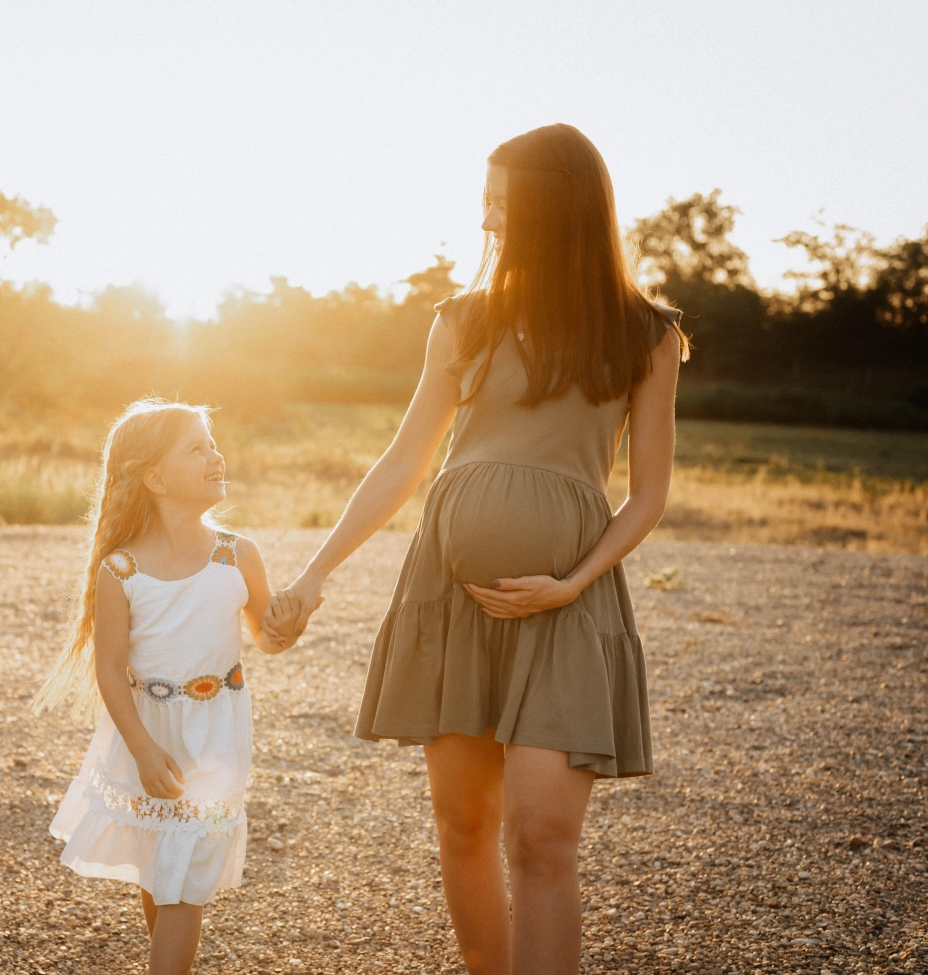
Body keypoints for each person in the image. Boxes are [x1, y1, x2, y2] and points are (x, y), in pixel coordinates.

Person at [263, 122, 689, 975]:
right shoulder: (463, 321)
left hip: (564, 609)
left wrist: (572, 583)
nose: (487, 220)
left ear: (554, 210)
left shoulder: (647, 333)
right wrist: (314, 574)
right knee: (462, 827)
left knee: (541, 839)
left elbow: (646, 494)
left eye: (503, 203)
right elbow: (402, 461)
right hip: (448, 600)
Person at [33, 398, 301, 975]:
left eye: (213, 443)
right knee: (162, 864)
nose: (216, 456)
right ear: (154, 478)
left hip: (216, 734)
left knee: (183, 881)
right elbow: (108, 669)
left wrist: (287, 625)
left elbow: (266, 637)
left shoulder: (237, 554)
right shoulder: (121, 570)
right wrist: (143, 748)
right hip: (145, 733)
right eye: (197, 448)